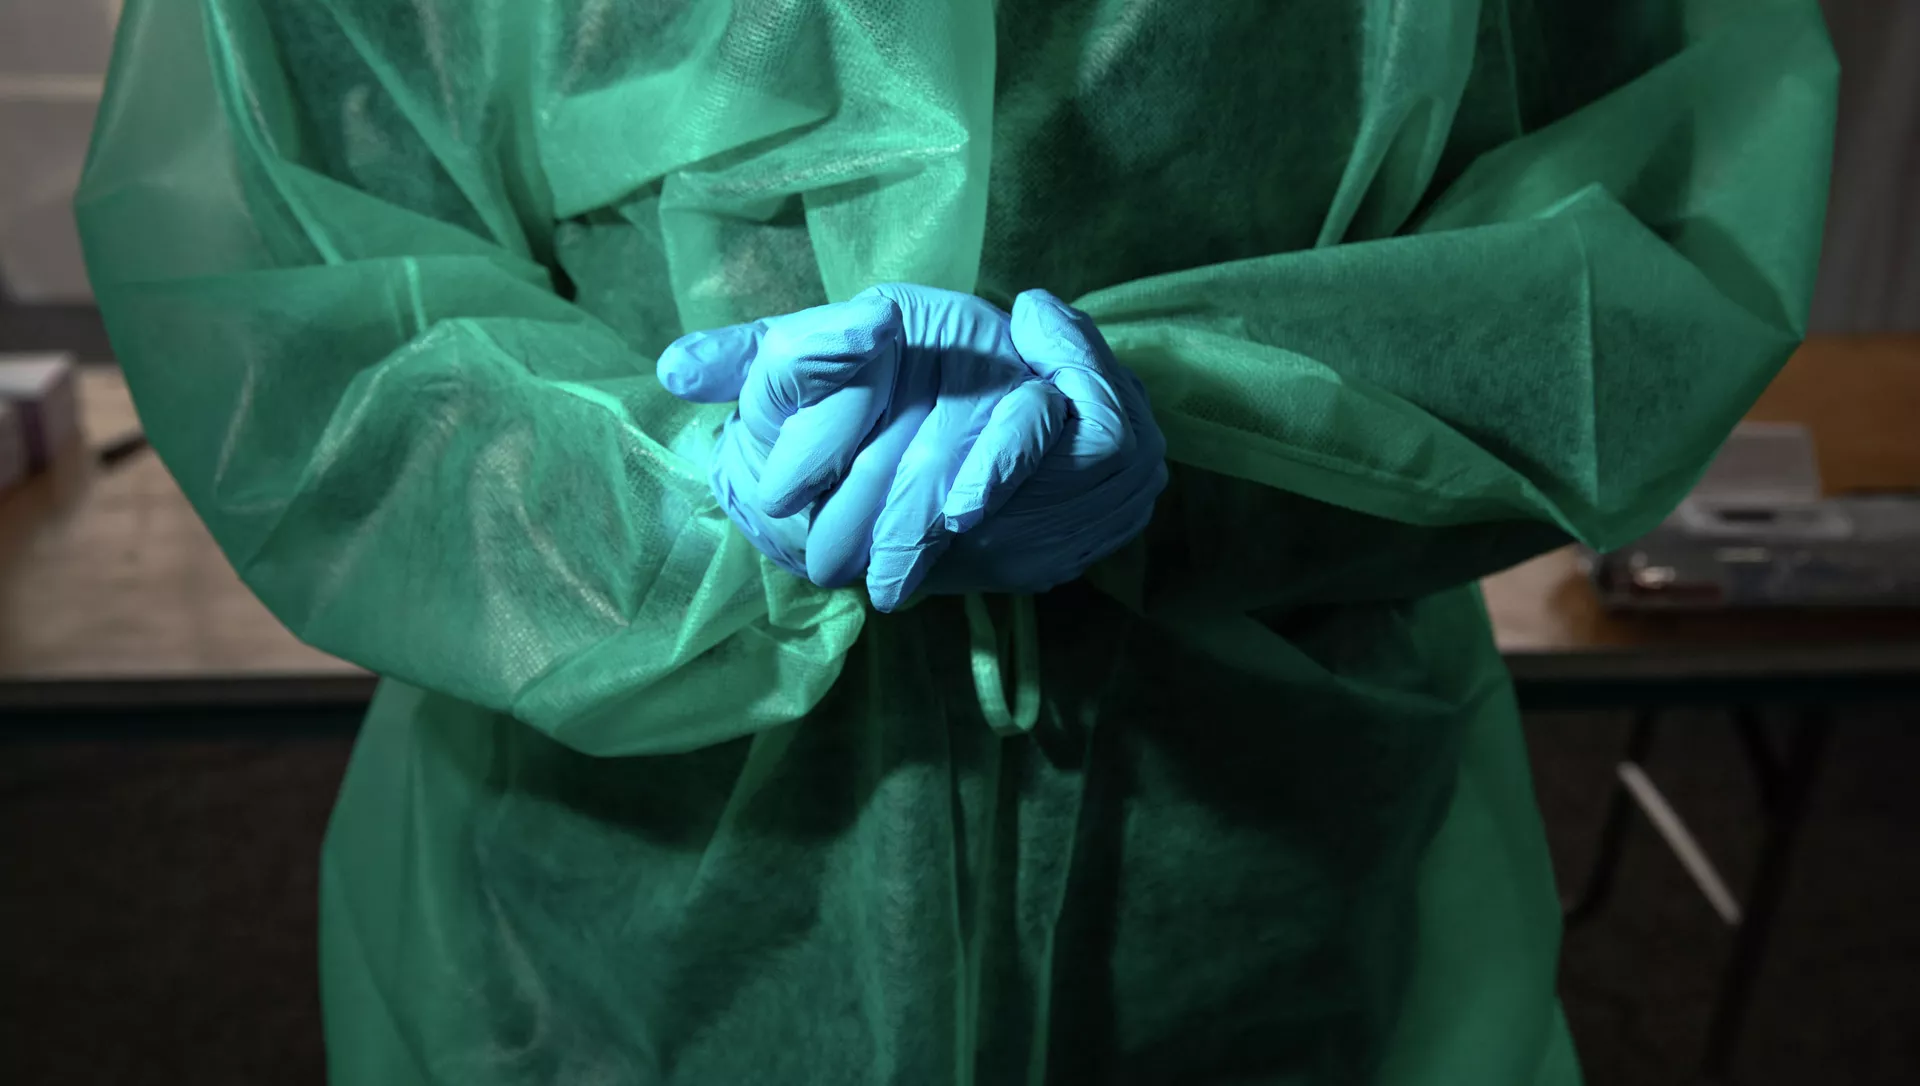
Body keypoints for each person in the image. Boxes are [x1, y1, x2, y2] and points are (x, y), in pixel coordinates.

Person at [77, 0, 1836, 1081]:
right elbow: (295, 298)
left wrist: (1204, 437)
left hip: (1249, 890)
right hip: (619, 929)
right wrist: (685, 503)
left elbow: (1645, 238)